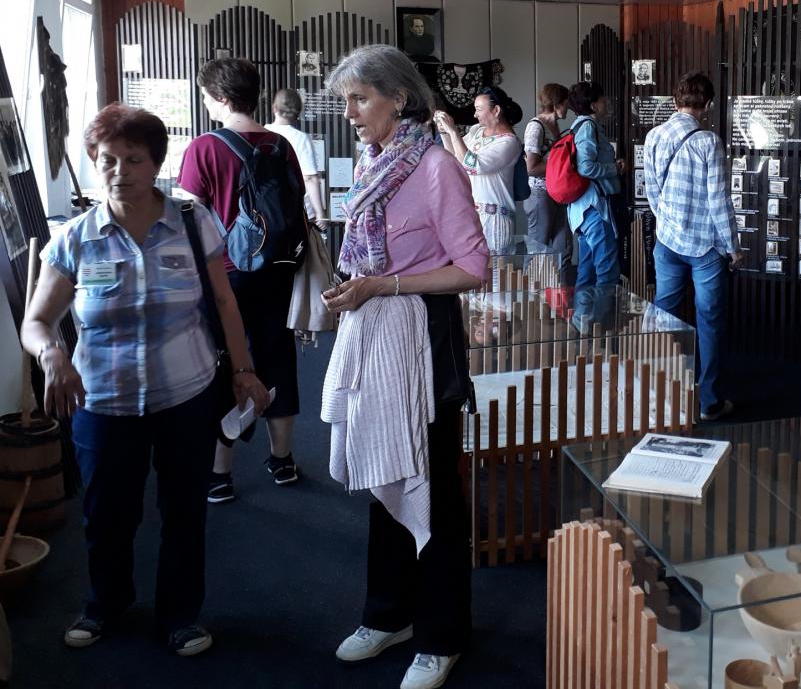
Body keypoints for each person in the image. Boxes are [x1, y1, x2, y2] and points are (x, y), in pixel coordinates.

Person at [21, 103, 268, 656]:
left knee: (184, 511)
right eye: (107, 160)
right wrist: (52, 354)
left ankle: (180, 616)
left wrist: (243, 369)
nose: (120, 171)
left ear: (156, 163)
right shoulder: (76, 238)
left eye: (133, 159)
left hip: (186, 393)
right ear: (95, 163)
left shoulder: (192, 223)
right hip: (103, 400)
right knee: (107, 514)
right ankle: (105, 605)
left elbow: (224, 302)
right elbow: (36, 322)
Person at [320, 45, 487, 689]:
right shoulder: (376, 161)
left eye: (360, 99)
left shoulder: (437, 166)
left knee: (433, 486)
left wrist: (384, 285)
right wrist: (357, 289)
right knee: (380, 470)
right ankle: (389, 614)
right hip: (376, 336)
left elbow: (473, 267)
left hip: (425, 342)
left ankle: (442, 635)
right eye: (346, 101)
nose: (350, 113)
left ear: (399, 98)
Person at [178, 58, 306, 501]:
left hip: (226, 275)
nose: (206, 104)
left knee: (226, 362)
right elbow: (295, 202)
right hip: (278, 269)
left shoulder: (204, 148)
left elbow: (190, 217)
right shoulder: (279, 144)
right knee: (278, 355)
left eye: (207, 97)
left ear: (222, 98)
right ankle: (283, 459)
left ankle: (219, 474)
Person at [643, 73, 742, 421]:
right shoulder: (709, 142)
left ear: (675, 101)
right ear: (708, 105)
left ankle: (659, 392)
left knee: (664, 315)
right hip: (705, 248)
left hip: (667, 242)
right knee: (709, 320)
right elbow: (719, 200)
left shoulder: (654, 135)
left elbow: (651, 191)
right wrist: (732, 246)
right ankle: (708, 401)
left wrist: (669, 223)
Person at [434, 86, 523, 256]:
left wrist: (453, 131)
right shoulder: (477, 131)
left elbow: (473, 165)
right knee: (471, 266)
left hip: (495, 219)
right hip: (471, 214)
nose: (475, 115)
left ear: (496, 110)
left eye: (479, 109)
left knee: (496, 269)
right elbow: (454, 158)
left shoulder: (509, 142)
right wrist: (444, 131)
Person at [566, 81, 622, 296]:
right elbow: (586, 167)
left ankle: (583, 315)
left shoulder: (577, 126)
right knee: (607, 274)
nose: (606, 103)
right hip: (594, 208)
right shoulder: (588, 127)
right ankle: (602, 315)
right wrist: (615, 168)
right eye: (602, 99)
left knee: (587, 273)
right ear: (593, 105)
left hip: (582, 208)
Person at [523, 83, 573, 280]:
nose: (568, 108)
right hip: (540, 194)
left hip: (557, 191)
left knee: (564, 248)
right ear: (557, 104)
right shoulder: (536, 127)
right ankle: (530, 294)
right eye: (566, 103)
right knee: (538, 248)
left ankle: (560, 294)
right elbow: (531, 168)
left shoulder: (555, 126)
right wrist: (564, 165)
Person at [270, 88, 327, 230]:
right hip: (297, 212)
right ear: (298, 113)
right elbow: (310, 178)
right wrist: (320, 213)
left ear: (274, 108)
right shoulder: (301, 139)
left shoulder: (263, 133)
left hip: (268, 210)